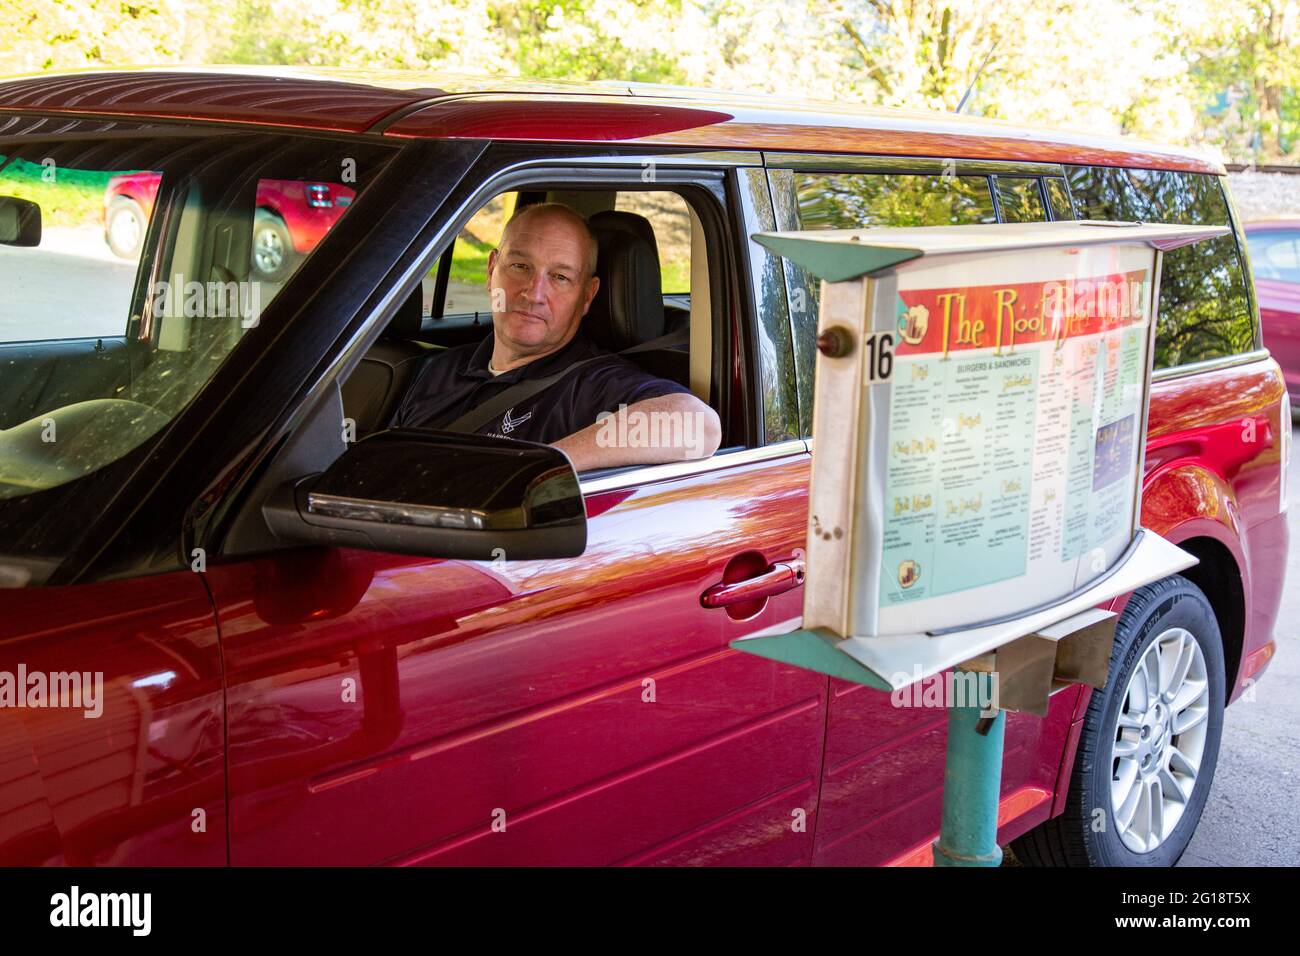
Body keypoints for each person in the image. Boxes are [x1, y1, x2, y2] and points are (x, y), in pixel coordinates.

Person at [390, 202, 722, 472]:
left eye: (560, 277)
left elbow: (698, 425)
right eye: (520, 266)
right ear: (492, 271)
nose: (534, 293)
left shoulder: (593, 386)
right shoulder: (437, 370)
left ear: (588, 296)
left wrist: (537, 469)